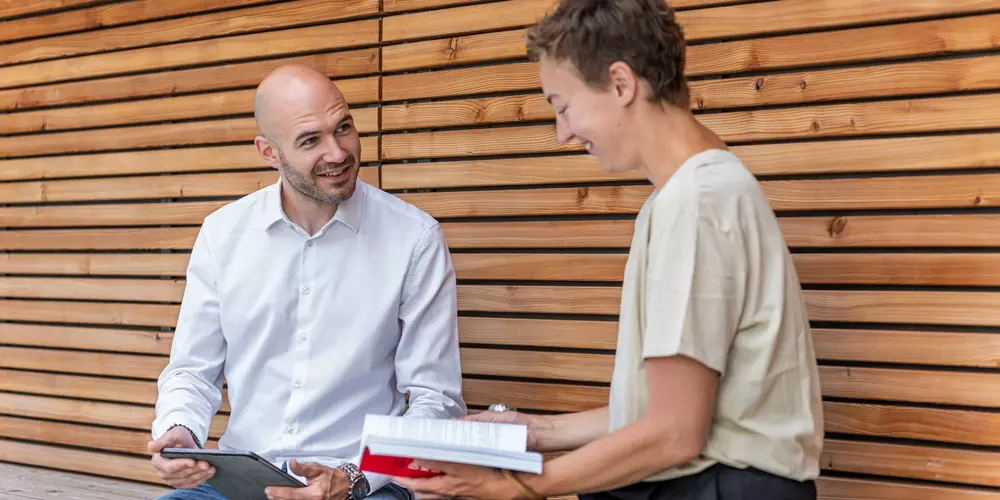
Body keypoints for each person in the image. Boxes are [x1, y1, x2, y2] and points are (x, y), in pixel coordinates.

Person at [388, 1, 824, 499]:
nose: (563, 133)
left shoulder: (696, 203)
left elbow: (675, 432)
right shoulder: (694, 192)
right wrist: (540, 431)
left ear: (621, 84)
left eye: (562, 106)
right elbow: (678, 410)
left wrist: (521, 487)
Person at [147, 64, 467, 500]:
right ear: (268, 152)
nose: (337, 152)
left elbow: (437, 403)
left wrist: (356, 476)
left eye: (344, 128)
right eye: (310, 140)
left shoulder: (415, 239)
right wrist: (178, 430)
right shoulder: (222, 234)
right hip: (241, 481)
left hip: (366, 486)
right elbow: (191, 371)